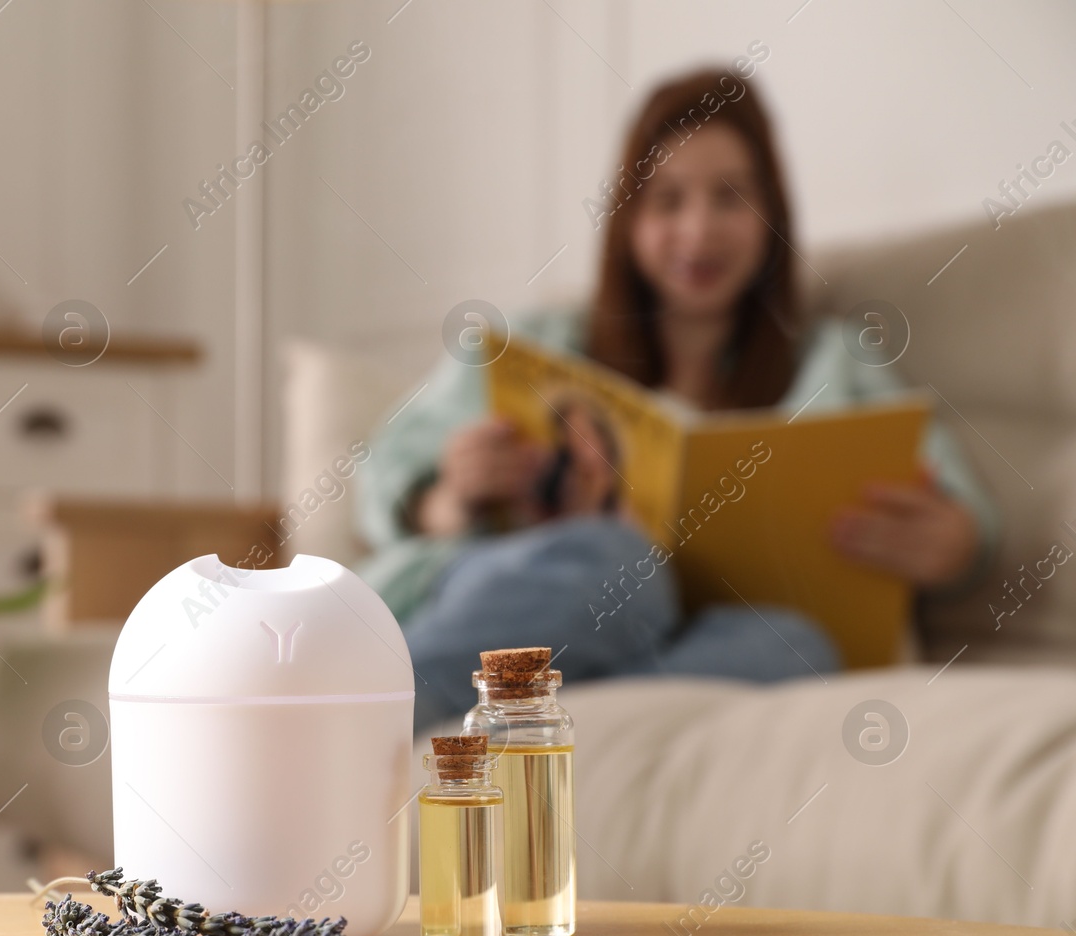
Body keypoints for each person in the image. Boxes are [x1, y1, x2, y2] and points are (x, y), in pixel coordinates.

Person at [355, 67, 1000, 732]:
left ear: (771, 211)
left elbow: (959, 503)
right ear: (628, 221)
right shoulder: (535, 347)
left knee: (802, 646)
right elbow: (381, 475)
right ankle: (376, 718)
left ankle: (540, 734)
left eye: (730, 198)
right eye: (668, 201)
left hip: (699, 641)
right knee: (620, 563)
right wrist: (447, 500)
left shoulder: (836, 361)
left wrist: (955, 542)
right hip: (538, 602)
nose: (699, 230)